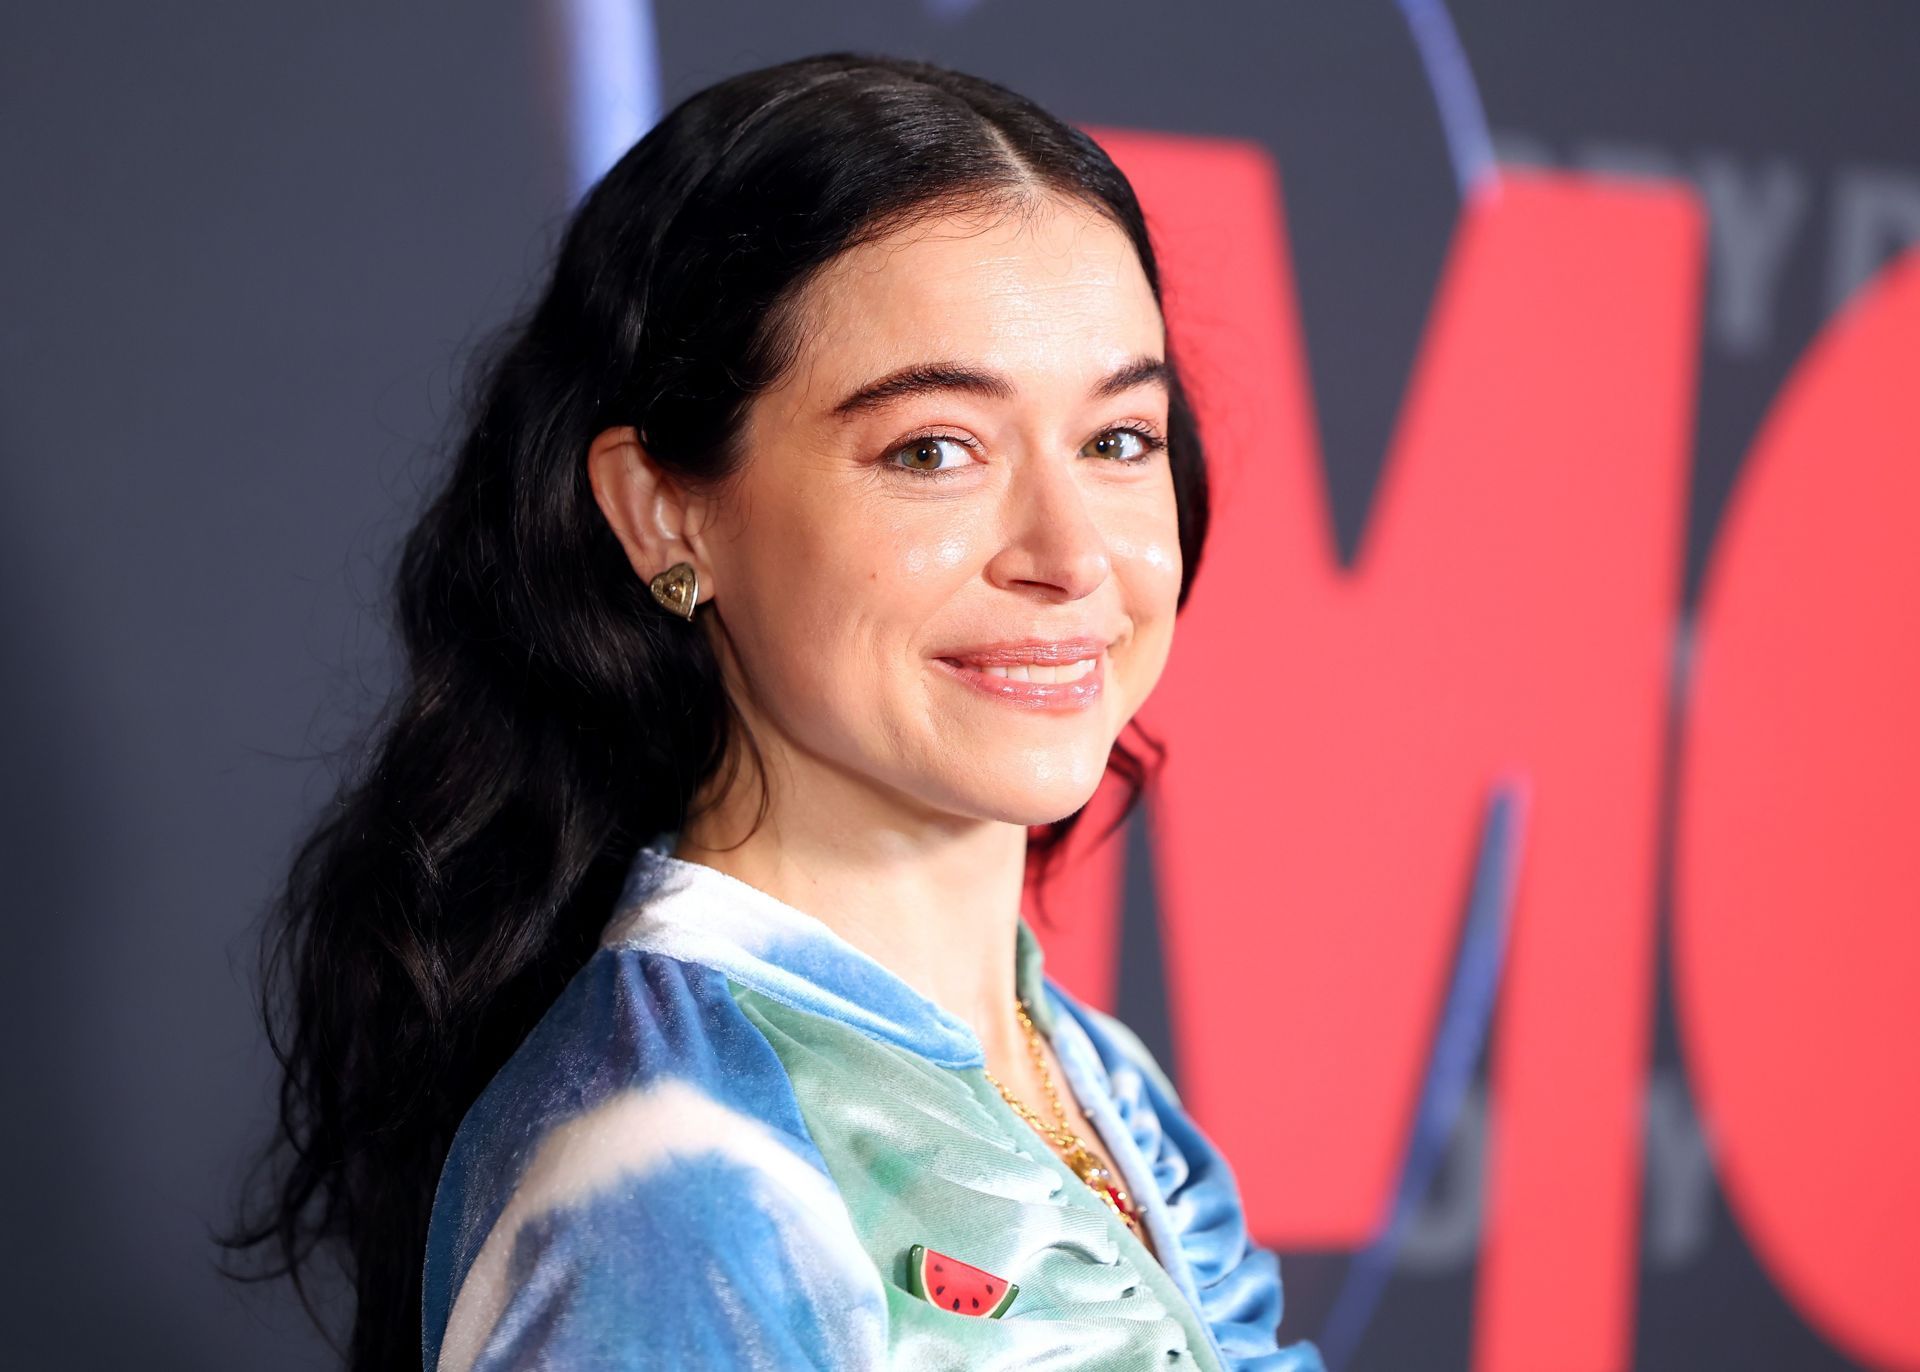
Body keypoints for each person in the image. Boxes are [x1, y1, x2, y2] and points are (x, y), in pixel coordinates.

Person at [223, 50, 1326, 1372]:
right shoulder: (673, 1176)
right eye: (934, 450)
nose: (1070, 553)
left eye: (1119, 441)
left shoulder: (1095, 1077)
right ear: (664, 514)